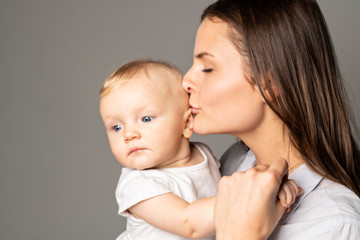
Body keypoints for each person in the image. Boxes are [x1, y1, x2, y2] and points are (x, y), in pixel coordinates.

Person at [182, 0, 360, 239]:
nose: (185, 81)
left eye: (207, 68)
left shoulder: (334, 224)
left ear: (268, 83)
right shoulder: (233, 164)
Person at [99, 60, 301, 240]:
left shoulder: (203, 154)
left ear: (186, 123)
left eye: (146, 119)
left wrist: (270, 188)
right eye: (116, 127)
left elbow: (239, 184)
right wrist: (256, 195)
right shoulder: (137, 185)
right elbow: (189, 223)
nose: (129, 134)